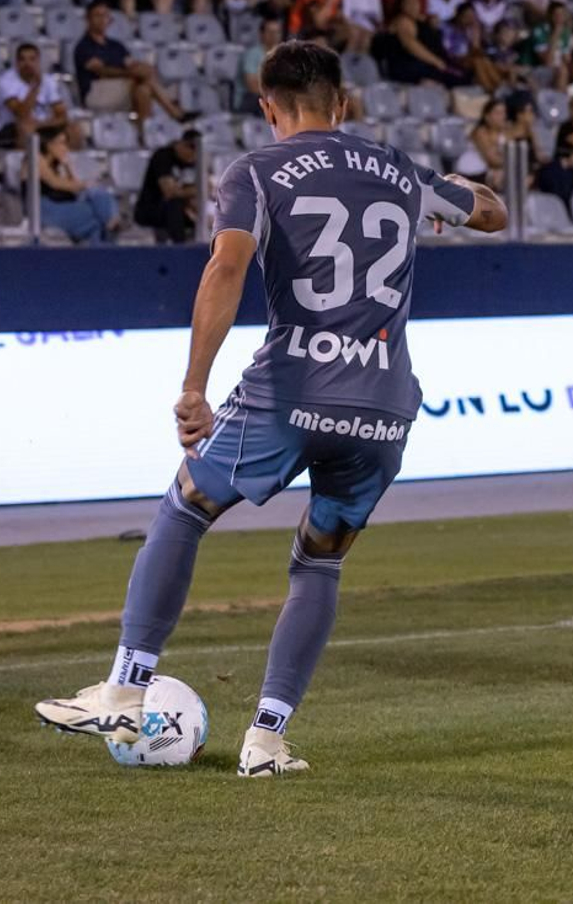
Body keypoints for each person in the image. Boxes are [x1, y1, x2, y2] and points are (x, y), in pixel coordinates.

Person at [33, 41, 507, 776]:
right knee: (319, 564)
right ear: (342, 104)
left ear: (268, 106)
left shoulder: (255, 169)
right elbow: (492, 211)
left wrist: (194, 385)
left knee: (187, 504)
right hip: (383, 403)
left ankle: (125, 690)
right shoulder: (397, 171)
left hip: (293, 387)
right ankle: (267, 738)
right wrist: (443, 194)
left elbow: (227, 263)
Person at [74, 0, 190, 131]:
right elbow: (100, 71)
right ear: (88, 19)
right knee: (139, 80)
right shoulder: (84, 46)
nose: (102, 19)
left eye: (105, 15)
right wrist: (131, 73)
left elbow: (131, 63)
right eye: (97, 15)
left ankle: (143, 133)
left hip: (123, 89)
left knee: (143, 89)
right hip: (96, 92)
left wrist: (143, 68)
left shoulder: (116, 46)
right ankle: (173, 111)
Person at [26, 127, 120, 243]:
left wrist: (67, 165)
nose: (65, 148)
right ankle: (111, 220)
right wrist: (86, 184)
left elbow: (74, 189)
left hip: (63, 205)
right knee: (94, 207)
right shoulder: (34, 159)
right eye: (62, 143)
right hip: (44, 209)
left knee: (97, 199)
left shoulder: (56, 165)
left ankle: (108, 227)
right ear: (48, 145)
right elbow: (55, 183)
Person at [0, 43, 73, 148]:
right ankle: (25, 163)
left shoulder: (48, 80)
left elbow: (62, 115)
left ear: (38, 62)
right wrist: (34, 88)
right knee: (25, 127)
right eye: (23, 60)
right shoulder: (5, 81)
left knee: (74, 129)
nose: (27, 64)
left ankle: (70, 163)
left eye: (32, 59)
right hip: (9, 128)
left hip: (41, 125)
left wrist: (41, 124)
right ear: (16, 63)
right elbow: (22, 114)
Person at [135, 129, 201, 243]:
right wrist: (196, 190)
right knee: (174, 204)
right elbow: (169, 192)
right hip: (153, 208)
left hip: (184, 210)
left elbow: (208, 187)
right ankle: (180, 248)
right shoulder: (163, 156)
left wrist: (192, 193)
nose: (193, 156)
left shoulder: (197, 162)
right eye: (191, 150)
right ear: (182, 145)